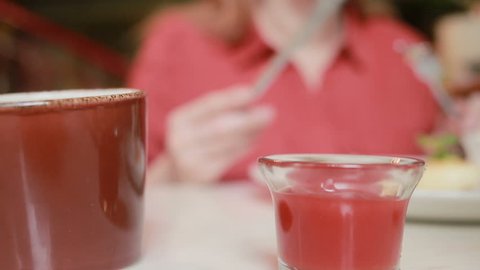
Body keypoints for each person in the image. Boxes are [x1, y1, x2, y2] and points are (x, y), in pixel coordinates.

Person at [128, 0, 442, 183]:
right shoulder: (178, 44)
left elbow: (449, 162)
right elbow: (121, 195)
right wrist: (174, 172)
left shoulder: (405, 50)